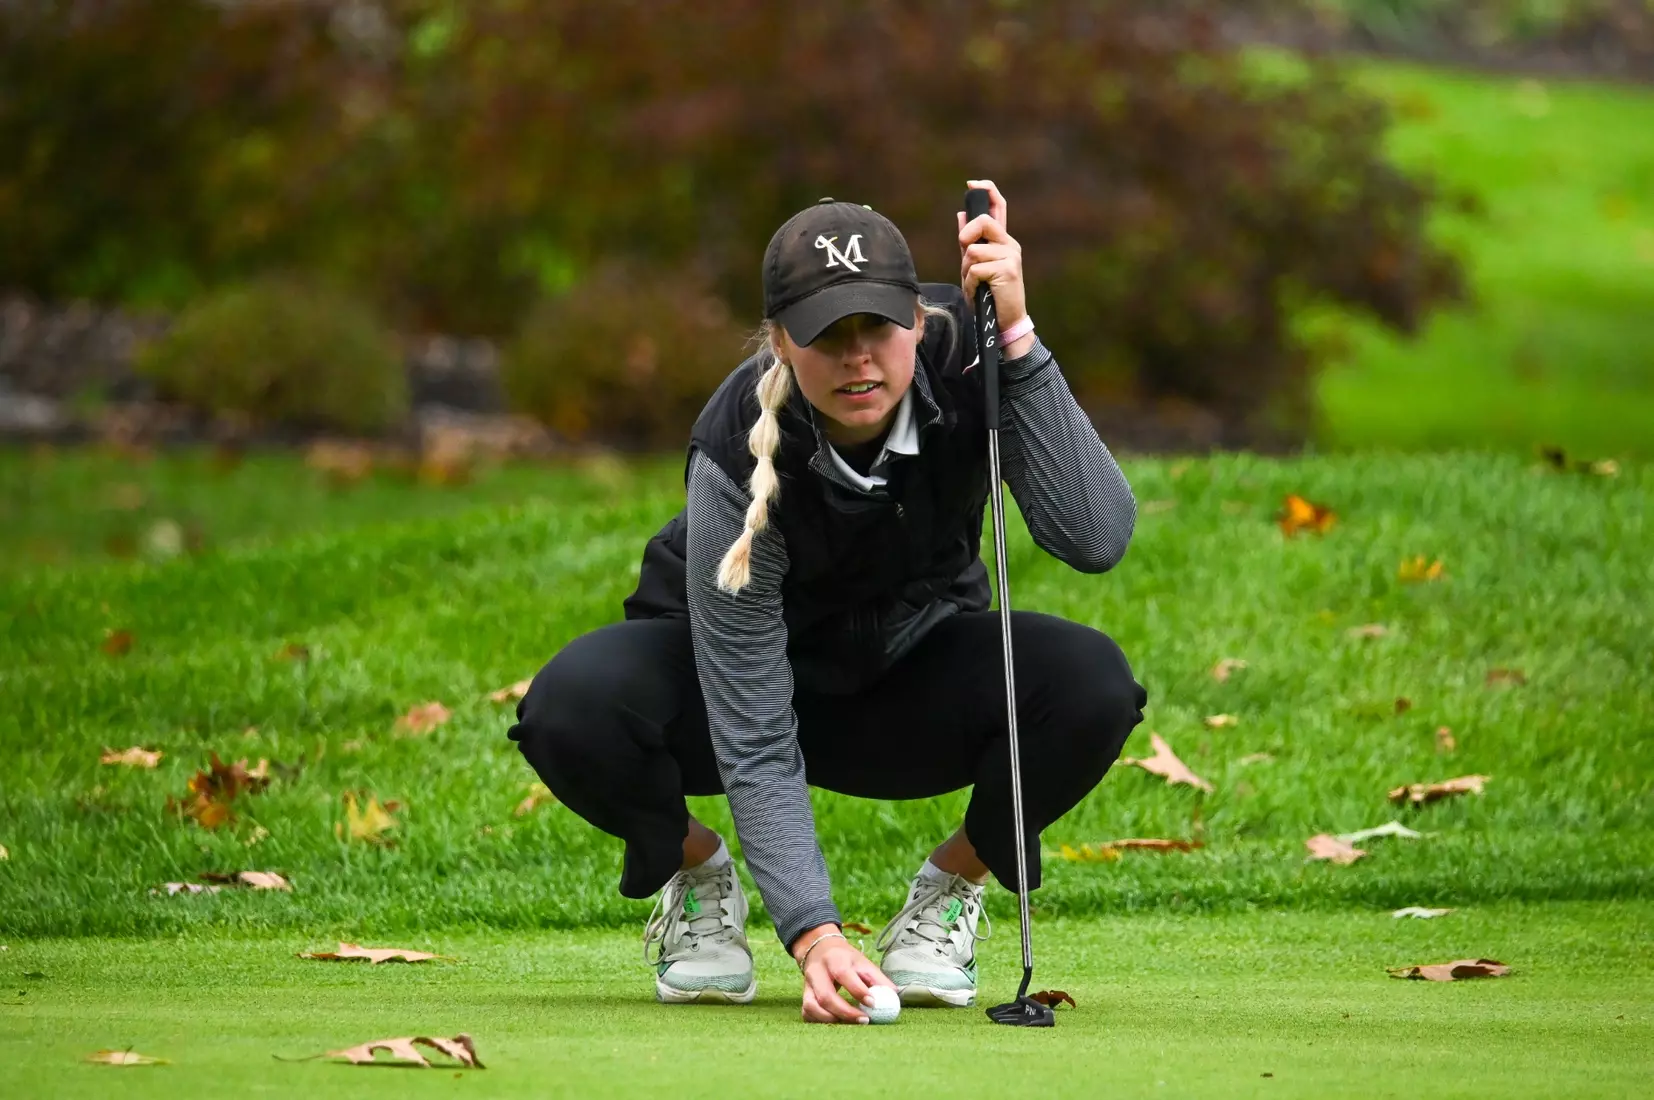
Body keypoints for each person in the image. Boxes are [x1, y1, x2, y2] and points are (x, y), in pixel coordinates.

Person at [509, 180, 1146, 1025]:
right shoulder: (735, 447)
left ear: (917, 320)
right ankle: (696, 874)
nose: (858, 359)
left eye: (878, 328)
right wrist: (815, 934)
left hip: (905, 675)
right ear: (778, 342)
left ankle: (949, 889)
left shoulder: (971, 369)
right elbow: (753, 726)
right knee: (574, 705)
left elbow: (1095, 538)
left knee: (1090, 683)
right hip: (727, 692)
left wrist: (1021, 340)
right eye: (826, 335)